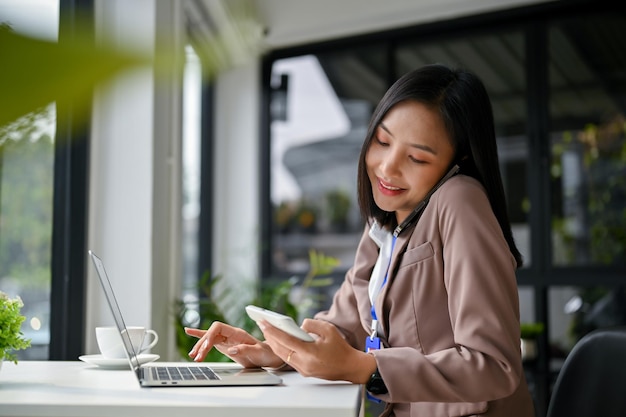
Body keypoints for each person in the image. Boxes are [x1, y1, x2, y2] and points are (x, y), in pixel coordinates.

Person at [185, 63, 535, 417]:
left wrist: (364, 367)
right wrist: (276, 351)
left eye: (416, 158)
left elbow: (493, 364)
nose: (387, 168)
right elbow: (346, 326)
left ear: (457, 160)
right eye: (382, 141)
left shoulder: (458, 199)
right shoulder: (383, 225)